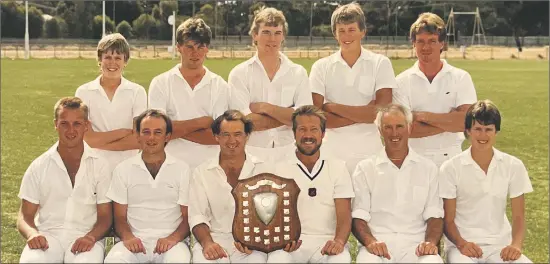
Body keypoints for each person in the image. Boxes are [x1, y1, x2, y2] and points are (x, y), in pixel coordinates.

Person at [189, 110, 297, 263]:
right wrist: (208, 243)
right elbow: (197, 215)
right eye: (225, 134)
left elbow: (273, 213)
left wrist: (256, 240)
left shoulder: (264, 169)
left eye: (238, 134)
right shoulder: (201, 172)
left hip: (252, 245)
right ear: (216, 137)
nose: (232, 140)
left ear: (247, 136)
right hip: (214, 239)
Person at [17, 97, 112, 263]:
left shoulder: (101, 166)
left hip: (86, 237)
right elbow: (25, 216)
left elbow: (105, 217)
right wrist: (33, 233)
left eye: (77, 123)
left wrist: (90, 238)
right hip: (48, 236)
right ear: (55, 124)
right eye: (64, 123)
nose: (70, 130)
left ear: (86, 126)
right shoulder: (39, 166)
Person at [439, 100, 533, 263]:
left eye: (488, 129)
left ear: (496, 131)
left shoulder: (513, 165)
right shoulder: (450, 168)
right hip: (461, 248)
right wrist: (462, 244)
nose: (483, 135)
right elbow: (448, 220)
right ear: (467, 131)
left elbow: (519, 215)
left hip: (500, 246)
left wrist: (516, 245)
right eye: (477, 129)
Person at [309, 2, 398, 173]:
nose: (346, 35)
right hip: (331, 155)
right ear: (335, 33)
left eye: (351, 30)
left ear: (362, 31)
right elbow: (316, 119)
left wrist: (333, 107)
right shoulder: (321, 67)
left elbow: (382, 112)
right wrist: (366, 113)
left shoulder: (380, 63)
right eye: (341, 30)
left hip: (371, 154)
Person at [351, 103, 444, 263]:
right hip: (378, 245)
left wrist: (430, 242)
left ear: (409, 128)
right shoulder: (365, 169)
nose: (394, 133)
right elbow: (359, 215)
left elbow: (435, 215)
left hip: (416, 245)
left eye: (399, 126)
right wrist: (371, 242)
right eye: (388, 127)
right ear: (380, 130)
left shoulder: (428, 168)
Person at [104, 109, 191, 263]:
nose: (151, 137)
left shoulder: (182, 169)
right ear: (137, 136)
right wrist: (128, 237)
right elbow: (119, 217)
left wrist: (172, 239)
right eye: (146, 132)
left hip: (172, 242)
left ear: (167, 137)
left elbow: (187, 217)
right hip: (134, 241)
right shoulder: (123, 169)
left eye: (158, 132)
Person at [229, 7, 313, 163]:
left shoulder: (298, 73)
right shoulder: (239, 74)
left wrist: (266, 108)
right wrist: (289, 116)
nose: (272, 39)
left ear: (283, 37)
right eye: (266, 32)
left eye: (277, 33)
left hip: (290, 154)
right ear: (255, 35)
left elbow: (306, 120)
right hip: (251, 154)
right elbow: (245, 123)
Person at [393, 12, 477, 167]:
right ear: (413, 43)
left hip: (452, 160)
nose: (426, 47)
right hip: (413, 161)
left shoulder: (461, 77)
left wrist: (421, 116)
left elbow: (467, 123)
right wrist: (449, 121)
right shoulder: (400, 82)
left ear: (442, 44)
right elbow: (403, 131)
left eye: (432, 41)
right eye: (420, 41)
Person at [274, 105, 354, 263]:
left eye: (314, 129)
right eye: (302, 129)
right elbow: (274, 214)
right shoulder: (279, 168)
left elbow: (344, 216)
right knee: (277, 260)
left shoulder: (338, 166)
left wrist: (338, 241)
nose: (308, 135)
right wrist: (282, 239)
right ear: (294, 133)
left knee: (340, 261)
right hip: (292, 242)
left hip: (327, 241)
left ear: (323, 133)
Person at [149, 17, 229, 171]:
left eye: (201, 47)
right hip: (169, 169)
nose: (195, 53)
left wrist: (172, 130)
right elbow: (156, 133)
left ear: (207, 48)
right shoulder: (160, 83)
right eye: (190, 47)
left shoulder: (220, 85)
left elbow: (219, 137)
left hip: (209, 170)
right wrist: (203, 122)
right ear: (179, 47)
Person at [75, 33, 147, 171]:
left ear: (125, 61)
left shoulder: (137, 92)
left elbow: (137, 140)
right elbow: (87, 138)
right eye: (107, 57)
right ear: (99, 60)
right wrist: (123, 132)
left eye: (118, 58)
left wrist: (98, 143)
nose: (112, 63)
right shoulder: (83, 92)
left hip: (128, 170)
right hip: (93, 170)